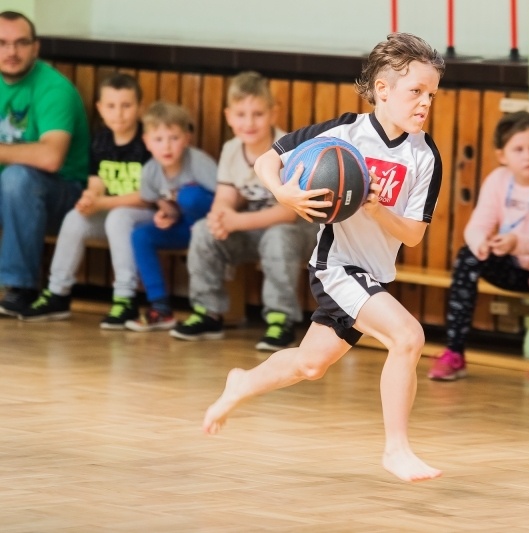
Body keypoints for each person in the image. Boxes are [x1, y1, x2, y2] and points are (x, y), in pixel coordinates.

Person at [202, 33, 445, 483]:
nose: (425, 102)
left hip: (373, 276)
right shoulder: (343, 133)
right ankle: (396, 450)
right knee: (408, 336)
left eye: (431, 94)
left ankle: (242, 383)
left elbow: (412, 235)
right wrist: (284, 194)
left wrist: (377, 208)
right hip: (337, 268)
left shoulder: (424, 155)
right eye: (416, 92)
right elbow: (266, 162)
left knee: (309, 364)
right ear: (383, 89)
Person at [426, 111, 529, 389]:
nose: (528, 156)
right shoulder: (498, 180)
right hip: (515, 265)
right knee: (468, 256)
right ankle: (454, 352)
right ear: (502, 155)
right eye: (518, 149)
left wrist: (516, 242)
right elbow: (475, 227)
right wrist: (481, 243)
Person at [171, 71, 317, 348]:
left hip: (297, 232)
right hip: (253, 230)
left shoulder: (289, 150)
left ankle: (280, 319)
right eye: (241, 114)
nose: (248, 122)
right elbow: (225, 198)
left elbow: (287, 212)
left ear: (274, 113)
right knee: (203, 231)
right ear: (228, 116)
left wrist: (236, 221)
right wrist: (219, 217)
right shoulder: (231, 149)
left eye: (258, 114)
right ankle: (208, 312)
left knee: (278, 236)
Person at [17, 73, 152, 327]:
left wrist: (102, 204)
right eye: (111, 106)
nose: (119, 114)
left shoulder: (146, 142)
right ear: (100, 109)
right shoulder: (100, 141)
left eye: (126, 106)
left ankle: (125, 298)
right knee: (75, 217)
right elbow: (96, 183)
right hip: (112, 214)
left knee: (119, 217)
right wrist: (90, 199)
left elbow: (148, 197)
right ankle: (58, 292)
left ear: (140, 108)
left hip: (145, 216)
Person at [0, 11, 90, 315]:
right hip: (10, 194)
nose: (11, 52)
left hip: (63, 195)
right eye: (2, 43)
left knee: (17, 179)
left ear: (35, 48)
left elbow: (51, 158)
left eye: (20, 43)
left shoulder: (54, 88)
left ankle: (20, 287)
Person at [124, 101, 217, 331]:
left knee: (189, 195)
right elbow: (164, 204)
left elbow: (224, 197)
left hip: (211, 227)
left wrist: (204, 220)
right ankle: (160, 307)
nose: (166, 146)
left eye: (174, 138)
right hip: (185, 227)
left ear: (186, 139)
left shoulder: (199, 162)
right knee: (140, 236)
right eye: (158, 139)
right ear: (146, 142)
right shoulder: (150, 171)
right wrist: (167, 215)